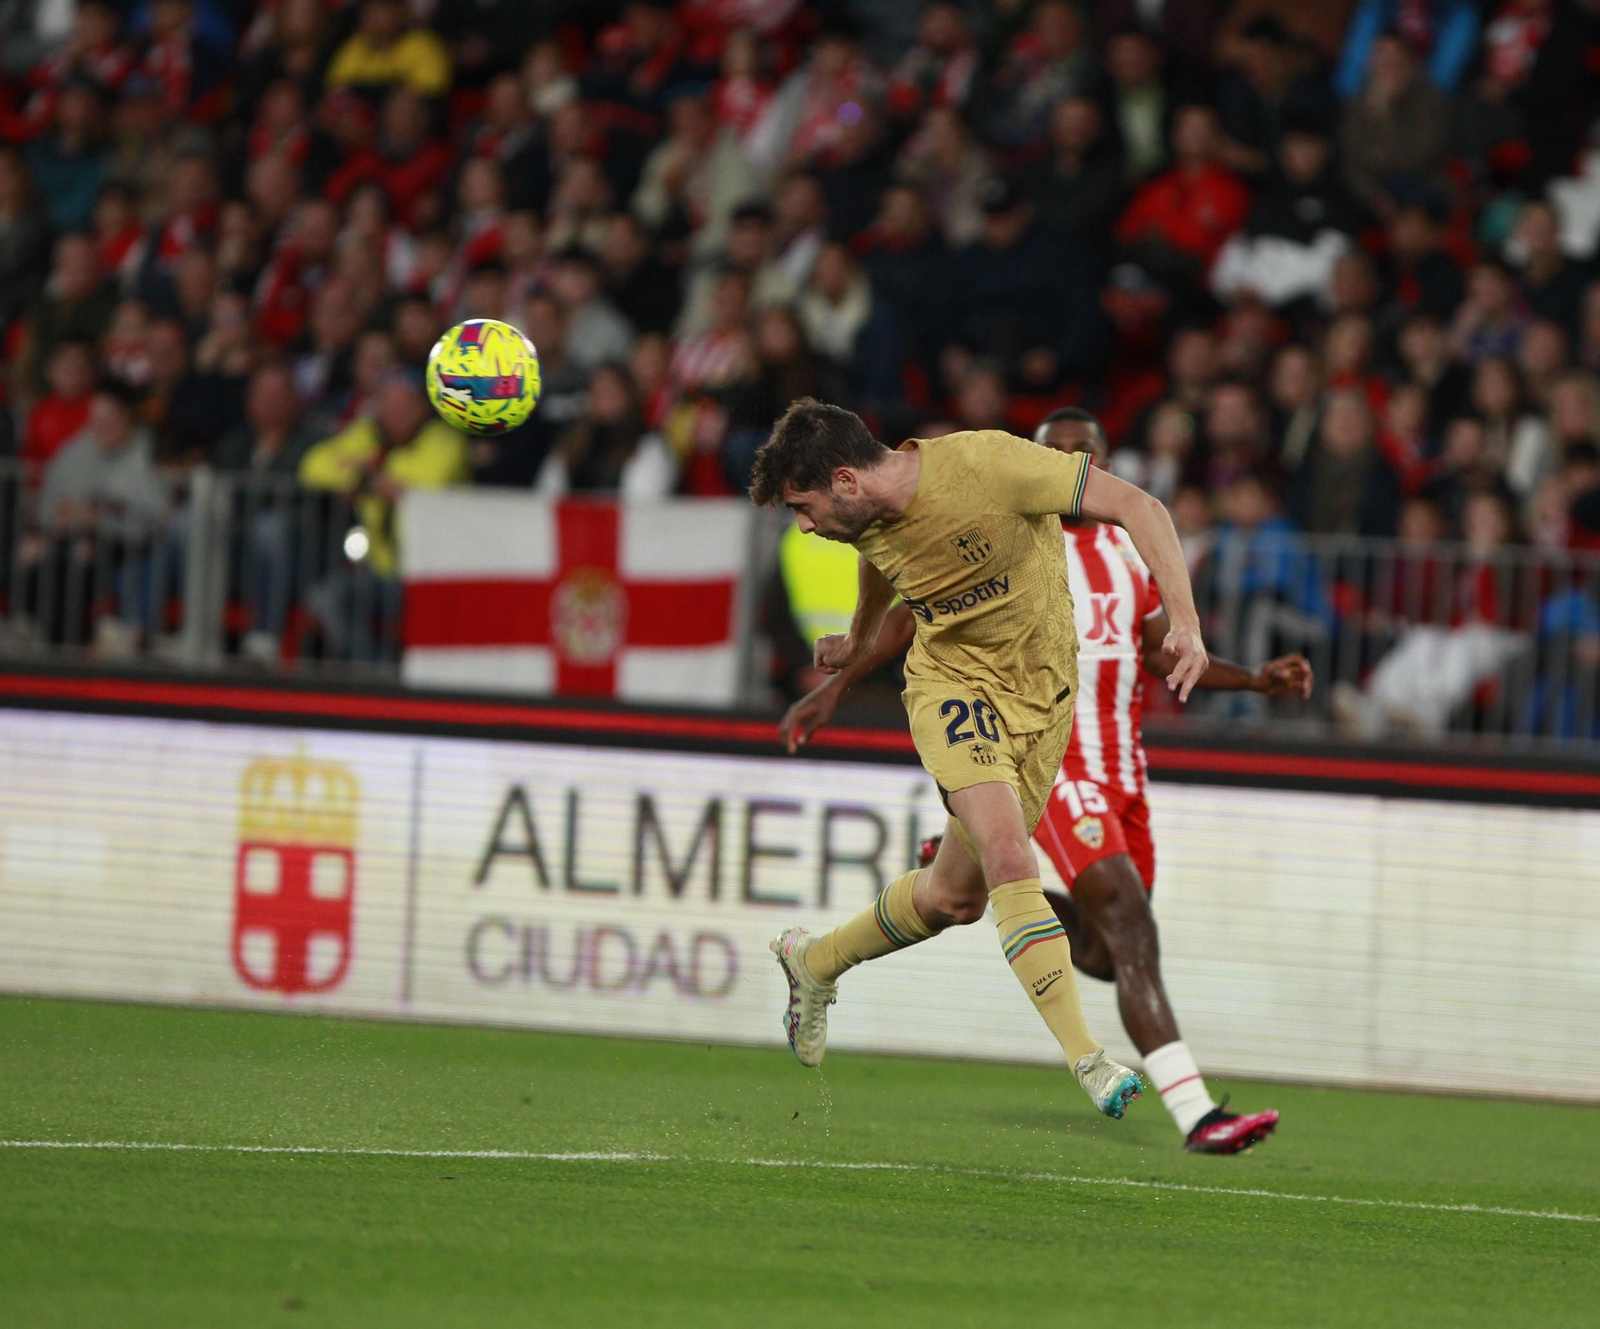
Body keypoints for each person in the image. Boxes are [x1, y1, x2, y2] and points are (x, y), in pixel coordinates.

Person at [777, 408, 1308, 1153]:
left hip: (1049, 720)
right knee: (1034, 872)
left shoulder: (1039, 503)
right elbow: (888, 573)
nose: (803, 527)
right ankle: (1101, 1064)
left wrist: (1213, 645)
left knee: (959, 899)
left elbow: (1142, 529)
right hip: (961, 697)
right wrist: (856, 649)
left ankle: (815, 959)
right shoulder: (914, 504)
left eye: (802, 509)